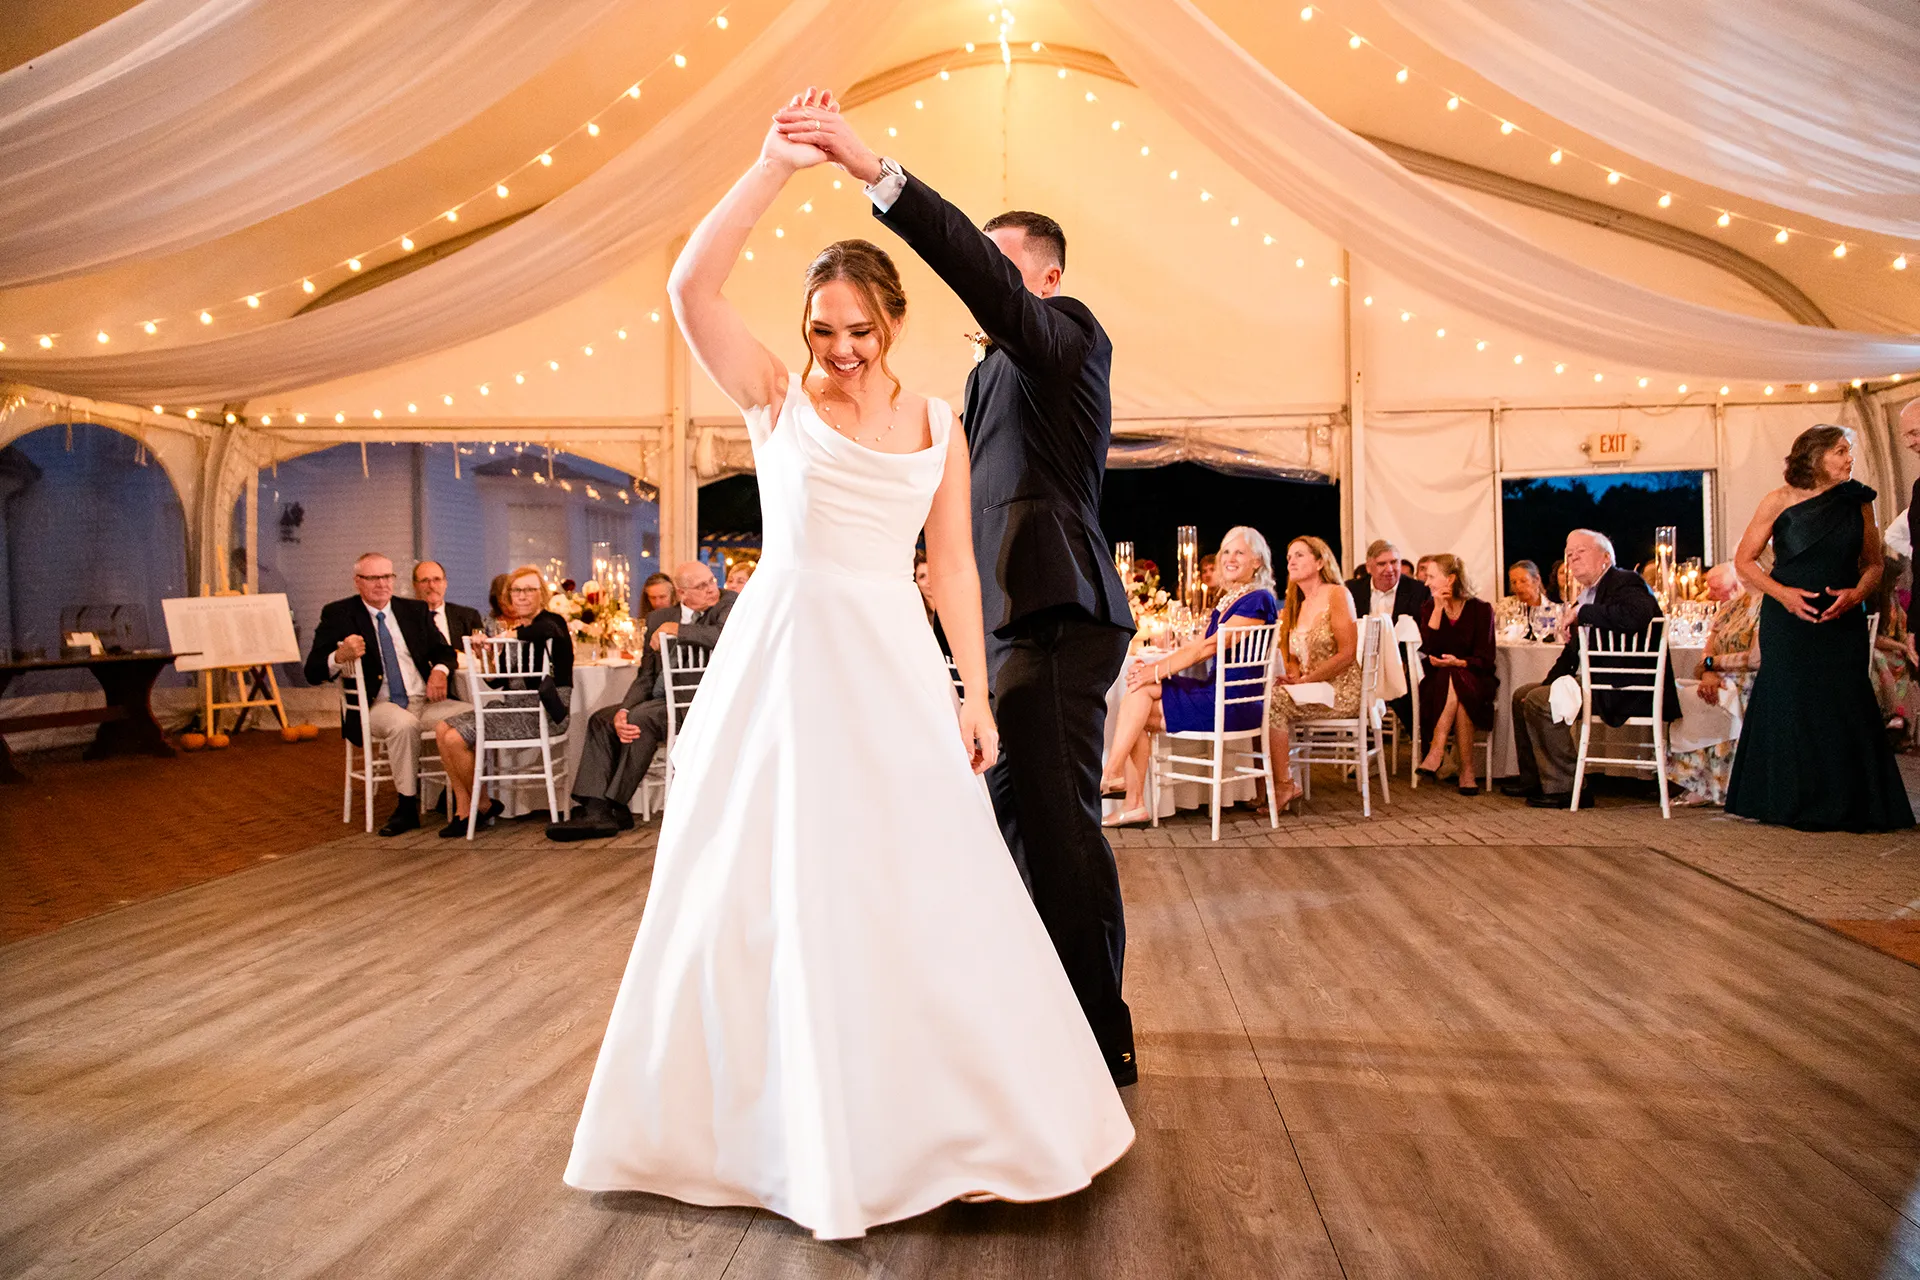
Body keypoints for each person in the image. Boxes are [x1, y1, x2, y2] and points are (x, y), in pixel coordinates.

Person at [563, 108, 1133, 1240]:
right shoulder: (773, 396)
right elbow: (689, 289)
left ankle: (950, 1115)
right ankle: (783, 1123)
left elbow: (957, 571)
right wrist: (769, 168)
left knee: (921, 880)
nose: (841, 348)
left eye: (860, 328)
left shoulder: (940, 414)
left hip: (890, 661)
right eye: (824, 328)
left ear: (896, 321)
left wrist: (974, 691)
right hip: (782, 660)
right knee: (779, 884)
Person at [782, 90, 1138, 1086]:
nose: (985, 284)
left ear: (1049, 276)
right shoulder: (985, 382)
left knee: (1059, 821)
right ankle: (1054, 1010)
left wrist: (870, 167)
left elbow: (991, 285)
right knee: (1019, 816)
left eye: (1002, 265)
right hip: (1011, 619)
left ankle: (1096, 1028)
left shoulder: (1068, 335)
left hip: (1063, 612)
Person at [1725, 425, 1914, 830]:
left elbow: (1874, 564)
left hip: (1842, 619)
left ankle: (1849, 804)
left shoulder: (1860, 501)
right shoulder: (1778, 500)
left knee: (1844, 703)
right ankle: (1788, 802)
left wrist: (1855, 595)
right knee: (1790, 703)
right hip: (1788, 619)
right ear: (1814, 457)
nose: (1850, 458)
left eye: (1851, 451)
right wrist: (1784, 595)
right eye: (1841, 451)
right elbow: (1745, 560)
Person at [1099, 527, 1279, 826]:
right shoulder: (1230, 599)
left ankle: (1119, 784)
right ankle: (1123, 789)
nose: (1230, 558)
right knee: (1139, 688)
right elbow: (1196, 646)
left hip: (1233, 702)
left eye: (1240, 552)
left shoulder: (1258, 600)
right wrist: (1152, 668)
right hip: (1215, 691)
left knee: (1140, 692)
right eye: (1226, 552)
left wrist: (1156, 669)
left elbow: (1207, 648)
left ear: (1257, 562)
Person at [545, 560, 737, 841]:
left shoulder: (727, 604)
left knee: (641, 719)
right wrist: (624, 708)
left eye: (711, 580)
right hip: (660, 699)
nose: (712, 589)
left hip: (698, 704)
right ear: (682, 593)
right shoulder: (659, 619)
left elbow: (724, 637)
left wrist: (677, 630)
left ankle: (616, 805)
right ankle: (595, 807)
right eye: (702, 585)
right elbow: (646, 675)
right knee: (604, 718)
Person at [1501, 529, 1678, 808]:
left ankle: (1569, 788)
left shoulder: (1625, 581)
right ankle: (1534, 778)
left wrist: (1582, 613)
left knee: (1539, 701)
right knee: (1524, 694)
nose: (1571, 557)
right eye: (1569, 553)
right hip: (1594, 682)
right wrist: (1548, 683)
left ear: (1606, 558)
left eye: (1580, 551)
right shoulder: (1588, 595)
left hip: (1625, 686)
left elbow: (1638, 615)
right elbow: (1572, 655)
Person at [302, 552, 465, 835]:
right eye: (373, 578)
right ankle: (406, 806)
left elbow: (444, 651)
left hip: (423, 701)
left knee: (473, 715)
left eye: (387, 576)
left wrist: (440, 670)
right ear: (358, 582)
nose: (382, 584)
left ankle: (476, 800)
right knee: (404, 724)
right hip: (378, 705)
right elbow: (312, 671)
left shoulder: (413, 611)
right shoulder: (339, 614)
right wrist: (339, 656)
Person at [432, 565, 573, 837]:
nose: (522, 596)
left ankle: (480, 806)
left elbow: (544, 632)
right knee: (441, 730)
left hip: (545, 711)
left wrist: (502, 638)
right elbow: (496, 682)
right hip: (511, 708)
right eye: (516, 591)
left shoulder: (552, 623)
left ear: (541, 594)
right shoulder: (515, 630)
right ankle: (468, 808)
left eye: (529, 590)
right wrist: (485, 654)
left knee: (454, 739)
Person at [1265, 536, 1361, 810]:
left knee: (1273, 701)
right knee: (1263, 696)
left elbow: (1348, 653)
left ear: (1320, 562)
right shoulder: (1296, 604)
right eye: (1289, 557)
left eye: (1299, 555)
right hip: (1312, 685)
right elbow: (1293, 658)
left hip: (1340, 688)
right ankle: (1268, 783)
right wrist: (1295, 676)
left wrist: (1308, 679)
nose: (1291, 562)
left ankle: (1285, 784)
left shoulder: (1337, 594)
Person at [1667, 560, 1762, 806]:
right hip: (1720, 676)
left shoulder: (1769, 606)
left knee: (1726, 694)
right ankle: (1699, 781)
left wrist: (1714, 664)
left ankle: (1725, 783)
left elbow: (1754, 659)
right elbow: (1705, 656)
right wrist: (1708, 673)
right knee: (1685, 694)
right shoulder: (1728, 609)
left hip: (1754, 677)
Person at [1415, 554, 1497, 795]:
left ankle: (1437, 748)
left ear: (1450, 579)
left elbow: (1486, 657)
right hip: (1437, 682)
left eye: (1431, 576)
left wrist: (1460, 662)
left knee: (1458, 679)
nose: (1426, 582)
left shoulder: (1481, 609)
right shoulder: (1429, 607)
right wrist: (1439, 609)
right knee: (1456, 685)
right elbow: (1428, 648)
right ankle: (1467, 771)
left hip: (1476, 676)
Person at [1347, 538, 1430, 735]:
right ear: (1369, 567)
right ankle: (1364, 750)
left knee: (1397, 680)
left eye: (1394, 562)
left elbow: (1422, 634)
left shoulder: (1418, 591)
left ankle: (1424, 742)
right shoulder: (1352, 590)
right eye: (1382, 564)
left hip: (1402, 661)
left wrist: (1397, 660)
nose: (1389, 569)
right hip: (1358, 662)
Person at [1869, 561, 1915, 749]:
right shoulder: (1875, 598)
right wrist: (1903, 648)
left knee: (1905, 663)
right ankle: (1894, 712)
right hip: (1874, 647)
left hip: (1892, 648)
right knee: (1884, 659)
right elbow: (1875, 637)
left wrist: (1909, 647)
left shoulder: (1894, 599)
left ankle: (1902, 721)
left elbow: (1902, 630)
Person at [412, 560, 485, 645]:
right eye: (425, 580)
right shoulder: (405, 619)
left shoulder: (469, 617)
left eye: (437, 579)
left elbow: (484, 655)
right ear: (415, 585)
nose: (432, 586)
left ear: (445, 583)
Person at [913, 547, 952, 658]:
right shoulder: (918, 617)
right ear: (916, 583)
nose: (929, 580)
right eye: (922, 577)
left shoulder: (954, 609)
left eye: (931, 573)